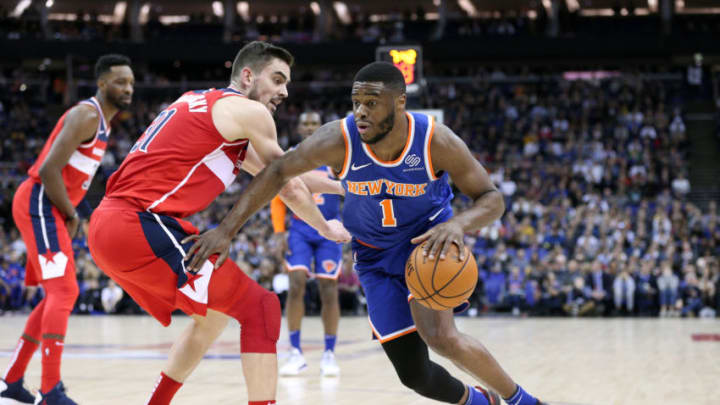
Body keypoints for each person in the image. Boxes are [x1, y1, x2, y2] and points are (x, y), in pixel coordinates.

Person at [185, 62, 545, 405]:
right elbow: (278, 171)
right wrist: (226, 230)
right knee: (414, 375)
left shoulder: (436, 140)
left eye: (372, 103)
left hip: (425, 247)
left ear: (400, 102)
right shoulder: (338, 138)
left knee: (442, 338)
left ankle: (523, 400)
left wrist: (457, 225)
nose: (361, 111)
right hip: (373, 258)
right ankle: (479, 400)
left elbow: (492, 198)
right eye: (356, 102)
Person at [87, 41, 350, 405]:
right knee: (261, 308)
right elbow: (285, 184)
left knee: (212, 320)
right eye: (277, 79)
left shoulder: (204, 104)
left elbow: (287, 169)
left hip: (113, 224)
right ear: (247, 76)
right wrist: (327, 227)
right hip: (138, 224)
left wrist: (346, 187)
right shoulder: (249, 112)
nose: (284, 91)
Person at [0, 54, 134, 405]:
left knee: (56, 295)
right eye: (121, 82)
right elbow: (47, 170)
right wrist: (72, 213)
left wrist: (78, 211)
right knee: (65, 291)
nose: (128, 88)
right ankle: (50, 391)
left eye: (132, 83)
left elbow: (76, 177)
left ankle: (12, 380)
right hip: (40, 204)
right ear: (102, 84)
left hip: (54, 209)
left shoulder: (103, 123)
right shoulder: (87, 115)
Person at [270, 111, 343, 376]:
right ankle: (295, 352)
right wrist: (279, 233)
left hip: (329, 230)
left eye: (314, 123)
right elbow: (277, 195)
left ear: (320, 127)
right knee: (296, 283)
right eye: (306, 123)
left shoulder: (336, 157)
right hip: (300, 229)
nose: (310, 127)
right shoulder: (290, 155)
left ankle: (329, 353)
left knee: (328, 288)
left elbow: (351, 192)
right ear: (299, 127)